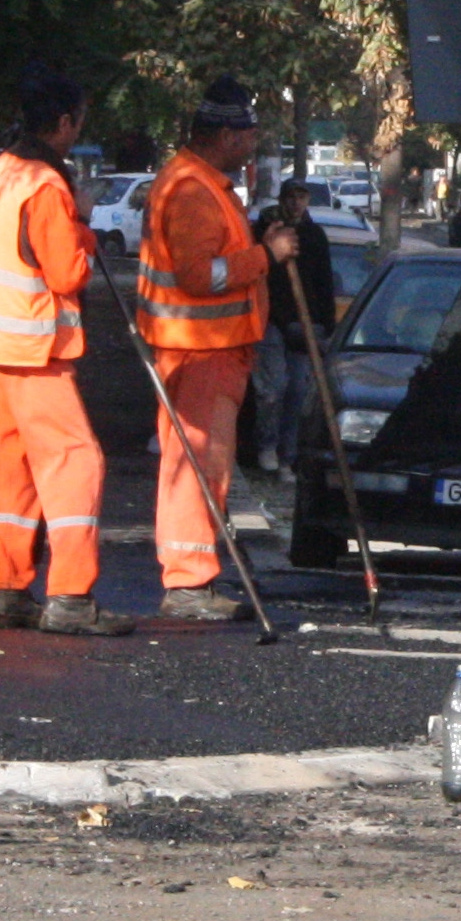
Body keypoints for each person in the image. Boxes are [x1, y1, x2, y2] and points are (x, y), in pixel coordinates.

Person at [0, 66, 129, 636]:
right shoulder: (47, 187)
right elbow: (67, 272)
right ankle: (70, 598)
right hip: (34, 351)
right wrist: (85, 228)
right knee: (76, 462)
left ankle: (4, 594)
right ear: (65, 123)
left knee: (7, 472)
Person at [139, 77, 296, 620]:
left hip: (208, 349)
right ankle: (188, 582)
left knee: (204, 465)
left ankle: (193, 576)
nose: (253, 144)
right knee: (198, 466)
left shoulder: (202, 185)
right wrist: (266, 256)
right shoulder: (192, 191)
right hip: (200, 350)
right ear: (227, 136)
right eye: (249, 134)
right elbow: (200, 276)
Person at [252, 179, 336, 477]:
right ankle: (267, 446)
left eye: (301, 196)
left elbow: (324, 281)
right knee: (273, 388)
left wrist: (326, 324)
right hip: (271, 319)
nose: (295, 202)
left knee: (298, 392)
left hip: (305, 323)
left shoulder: (314, 235)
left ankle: (288, 457)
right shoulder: (268, 231)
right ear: (282, 199)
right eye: (290, 197)